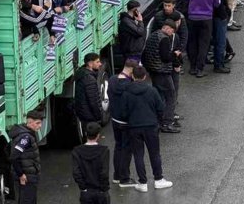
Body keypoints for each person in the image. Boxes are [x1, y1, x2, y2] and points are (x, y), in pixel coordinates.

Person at [124, 66, 173, 192]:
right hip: (151, 126)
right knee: (154, 153)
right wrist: (158, 121)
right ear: (145, 76)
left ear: (133, 76)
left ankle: (142, 182)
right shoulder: (152, 91)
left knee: (138, 155)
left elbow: (123, 111)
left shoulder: (126, 91)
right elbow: (160, 108)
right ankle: (158, 179)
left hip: (134, 127)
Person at [184, 0, 220, 78]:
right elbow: (217, 3)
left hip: (192, 18)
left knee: (192, 42)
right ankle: (200, 69)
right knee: (204, 44)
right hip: (206, 18)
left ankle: (193, 67)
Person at [142, 20, 178, 133]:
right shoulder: (164, 39)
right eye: (172, 31)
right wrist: (174, 54)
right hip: (162, 71)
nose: (172, 34)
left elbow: (144, 54)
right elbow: (165, 57)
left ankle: (159, 120)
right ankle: (167, 123)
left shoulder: (153, 35)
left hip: (153, 70)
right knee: (171, 95)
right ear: (168, 28)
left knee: (159, 96)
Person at [108, 59, 136, 187]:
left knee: (118, 147)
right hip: (126, 122)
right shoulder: (129, 86)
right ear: (131, 70)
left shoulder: (113, 80)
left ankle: (117, 175)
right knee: (127, 149)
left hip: (115, 119)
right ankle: (125, 178)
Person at [9, 110, 44, 204]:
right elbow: (14, 156)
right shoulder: (26, 138)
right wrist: (21, 174)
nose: (40, 126)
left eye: (40, 123)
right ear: (30, 122)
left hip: (29, 175)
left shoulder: (27, 134)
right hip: (27, 177)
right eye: (38, 123)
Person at [71, 121, 110, 203]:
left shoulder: (77, 151)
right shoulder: (104, 151)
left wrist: (83, 188)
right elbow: (104, 172)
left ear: (85, 134)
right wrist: (103, 189)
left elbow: (76, 172)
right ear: (98, 135)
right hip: (100, 191)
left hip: (86, 192)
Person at [74, 53, 103, 135]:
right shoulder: (90, 79)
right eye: (97, 62)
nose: (100, 64)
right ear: (90, 64)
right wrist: (99, 116)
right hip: (90, 116)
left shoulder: (81, 75)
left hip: (83, 114)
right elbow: (94, 100)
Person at [212, 0, 232, 74]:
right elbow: (219, 5)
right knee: (220, 41)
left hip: (217, 17)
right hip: (219, 18)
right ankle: (219, 65)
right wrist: (225, 15)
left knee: (219, 40)